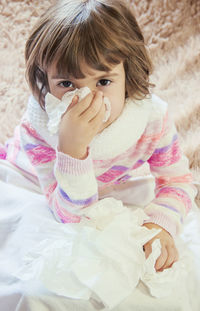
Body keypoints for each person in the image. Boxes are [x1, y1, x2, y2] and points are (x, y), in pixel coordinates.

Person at [1, 0, 197, 276]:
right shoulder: (38, 131)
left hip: (111, 186)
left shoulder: (151, 120)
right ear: (44, 80)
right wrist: (71, 151)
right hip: (40, 188)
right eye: (67, 84)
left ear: (129, 75)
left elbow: (178, 181)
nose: (86, 98)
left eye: (103, 82)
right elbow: (70, 217)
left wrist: (160, 224)